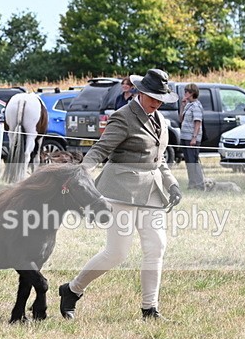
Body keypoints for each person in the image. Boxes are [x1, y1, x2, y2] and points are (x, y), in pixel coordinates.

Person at [58, 68, 182, 321]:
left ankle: (150, 308)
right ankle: (72, 290)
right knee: (117, 253)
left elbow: (159, 159)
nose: (157, 103)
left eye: (161, 99)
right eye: (153, 98)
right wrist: (81, 173)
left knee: (156, 247)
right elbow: (101, 149)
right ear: (140, 92)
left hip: (152, 192)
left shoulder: (161, 120)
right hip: (121, 192)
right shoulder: (122, 117)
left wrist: (172, 184)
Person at [180, 83, 206, 190]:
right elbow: (181, 119)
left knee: (193, 162)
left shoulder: (196, 106)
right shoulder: (188, 105)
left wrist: (194, 137)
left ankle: (199, 184)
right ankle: (192, 183)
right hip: (184, 136)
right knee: (188, 162)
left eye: (187, 91)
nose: (185, 93)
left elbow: (197, 122)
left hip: (192, 138)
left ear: (192, 93)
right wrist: (182, 106)